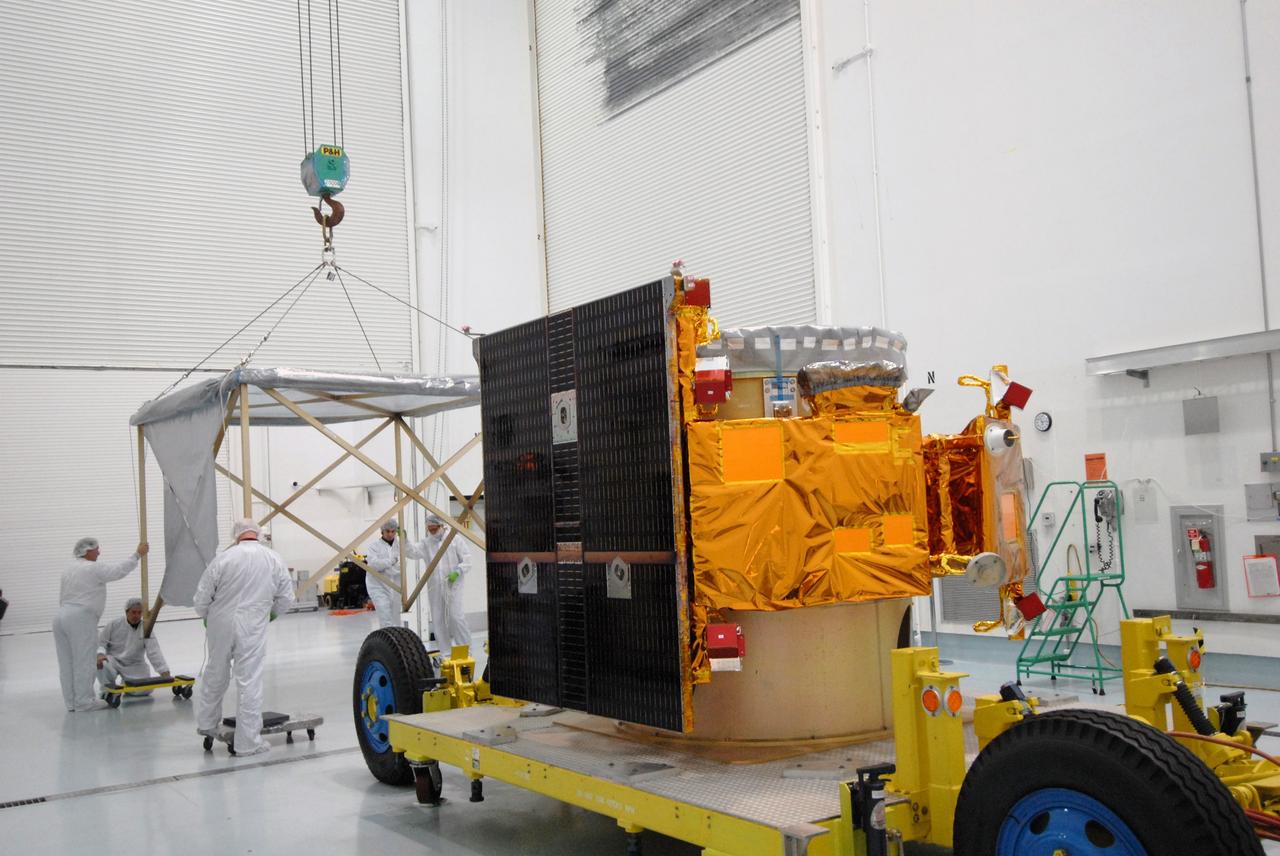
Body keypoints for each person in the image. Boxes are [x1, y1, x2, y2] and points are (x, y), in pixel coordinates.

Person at [193, 519, 293, 756]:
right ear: (257, 535)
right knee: (249, 681)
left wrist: (208, 616)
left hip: (220, 623)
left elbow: (201, 597)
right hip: (252, 625)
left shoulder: (224, 558)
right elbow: (286, 597)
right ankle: (248, 743)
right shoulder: (273, 558)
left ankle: (207, 724)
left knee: (215, 672)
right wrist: (270, 615)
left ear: (236, 535)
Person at [53, 537, 149, 712]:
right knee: (84, 660)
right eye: (96, 549)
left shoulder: (68, 569)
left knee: (66, 662)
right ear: (87, 551)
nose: (99, 552)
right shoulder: (92, 568)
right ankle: (84, 702)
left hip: (61, 616)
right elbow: (118, 571)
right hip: (80, 617)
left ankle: (71, 702)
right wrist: (137, 555)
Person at [407, 514, 471, 658]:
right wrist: (404, 541)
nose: (432, 531)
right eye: (430, 529)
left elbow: (467, 559)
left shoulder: (454, 539)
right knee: (437, 618)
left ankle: (465, 652)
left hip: (454, 584)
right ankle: (446, 654)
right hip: (435, 586)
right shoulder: (426, 543)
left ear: (442, 526)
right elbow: (412, 552)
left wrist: (458, 571)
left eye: (434, 528)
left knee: (456, 617)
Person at [97, 597, 170, 696]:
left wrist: (163, 670)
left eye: (139, 613)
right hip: (114, 660)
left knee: (144, 690)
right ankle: (107, 691)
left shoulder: (146, 628)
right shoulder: (114, 624)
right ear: (127, 612)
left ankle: (126, 684)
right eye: (133, 612)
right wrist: (100, 654)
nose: (136, 615)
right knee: (102, 664)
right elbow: (101, 642)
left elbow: (154, 651)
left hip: (135, 664)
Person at [363, 520, 403, 629]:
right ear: (382, 531)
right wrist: (391, 562)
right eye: (387, 531)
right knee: (384, 614)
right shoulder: (374, 547)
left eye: (393, 531)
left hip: (395, 586)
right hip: (377, 586)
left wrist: (386, 565)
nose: (390, 534)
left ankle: (397, 642)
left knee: (397, 617)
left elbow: (403, 566)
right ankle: (388, 643)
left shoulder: (400, 545)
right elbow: (374, 565)